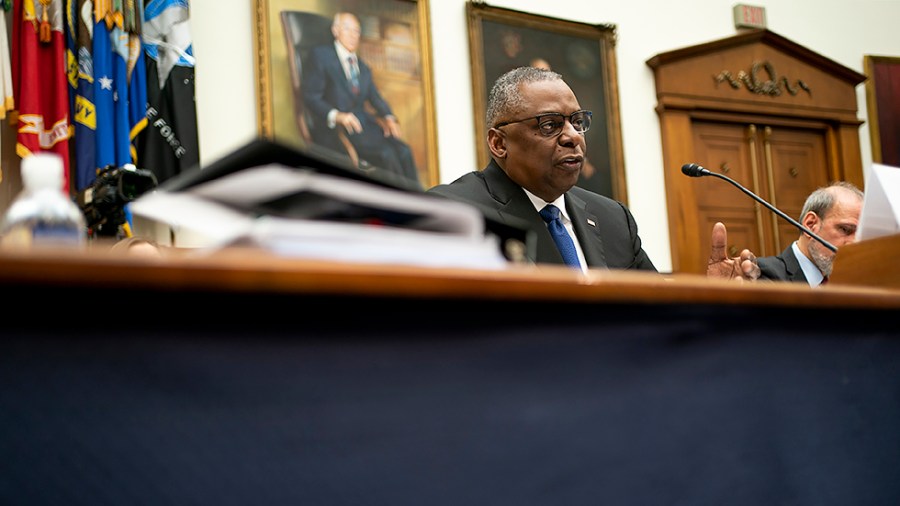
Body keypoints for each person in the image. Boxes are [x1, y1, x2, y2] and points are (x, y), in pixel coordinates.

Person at [427, 66, 657, 272]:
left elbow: (662, 310)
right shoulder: (454, 214)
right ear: (499, 143)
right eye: (549, 125)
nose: (573, 137)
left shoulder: (613, 218)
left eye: (577, 122)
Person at [302, 12, 420, 185]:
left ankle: (420, 201)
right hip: (338, 130)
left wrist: (389, 117)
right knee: (386, 155)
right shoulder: (321, 56)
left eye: (357, 31)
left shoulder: (363, 67)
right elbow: (311, 97)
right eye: (347, 29)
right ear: (335, 30)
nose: (353, 35)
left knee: (404, 151)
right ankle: (400, 204)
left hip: (365, 126)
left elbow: (376, 98)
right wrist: (337, 115)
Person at [707, 181, 864, 286]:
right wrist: (719, 298)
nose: (855, 243)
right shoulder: (760, 276)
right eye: (845, 230)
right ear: (810, 225)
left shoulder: (856, 282)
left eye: (861, 234)